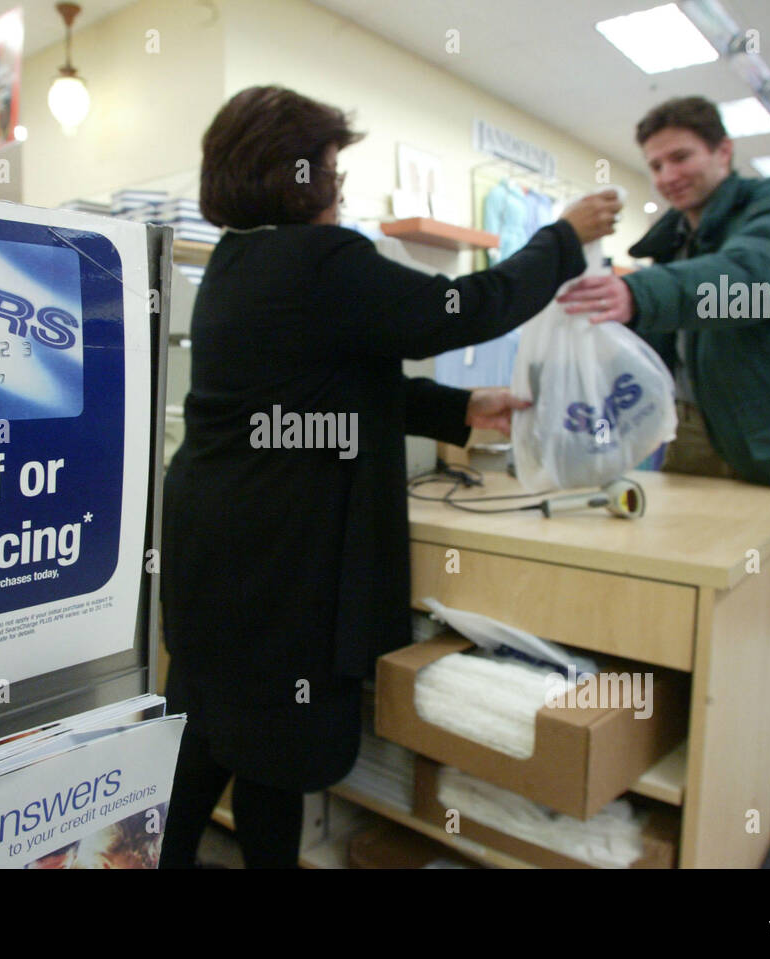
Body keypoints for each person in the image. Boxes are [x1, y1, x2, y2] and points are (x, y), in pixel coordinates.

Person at [158, 85, 621, 868]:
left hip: (222, 538)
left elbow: (340, 382)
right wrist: (563, 238)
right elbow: (466, 306)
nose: (338, 184)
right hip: (282, 551)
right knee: (270, 746)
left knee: (211, 730)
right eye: (331, 167)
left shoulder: (243, 260)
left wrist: (462, 406)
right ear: (296, 173)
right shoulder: (322, 261)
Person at [557, 96, 770, 855]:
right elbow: (656, 318)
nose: (669, 175)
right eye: (656, 165)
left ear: (724, 152)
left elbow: (751, 283)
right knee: (688, 621)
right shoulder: (675, 243)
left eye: (682, 157)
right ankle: (684, 767)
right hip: (701, 450)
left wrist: (641, 291)